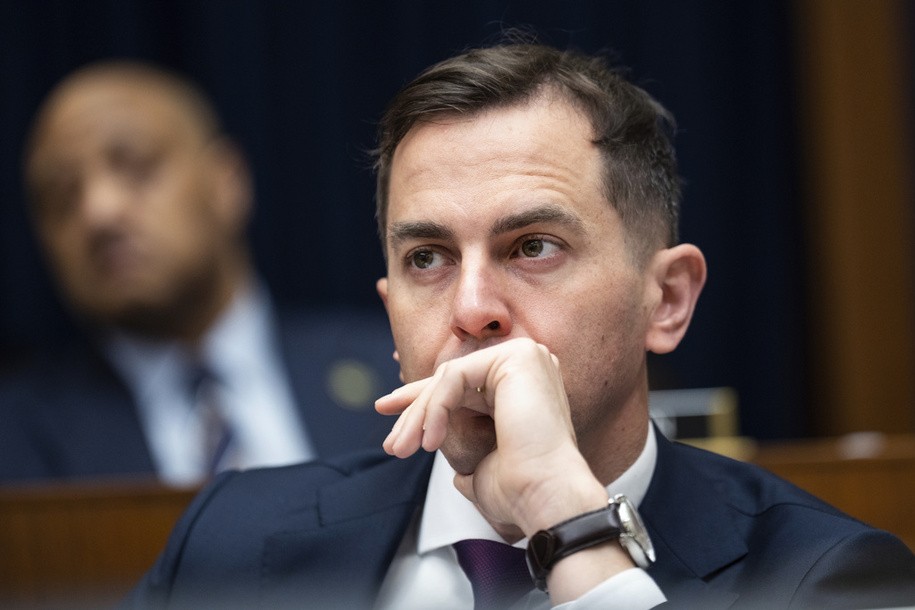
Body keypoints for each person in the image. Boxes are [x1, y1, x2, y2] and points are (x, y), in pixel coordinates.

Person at [123, 40, 915, 609]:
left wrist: (568, 523)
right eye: (427, 258)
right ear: (390, 314)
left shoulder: (823, 577)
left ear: (666, 299)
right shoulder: (227, 540)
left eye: (532, 247)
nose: (470, 309)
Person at [0, 61, 397, 485]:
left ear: (228, 183)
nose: (99, 211)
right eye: (61, 196)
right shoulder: (18, 437)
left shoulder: (394, 370)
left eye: (135, 166)